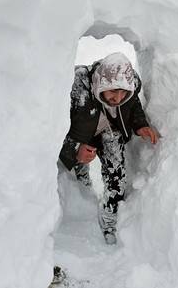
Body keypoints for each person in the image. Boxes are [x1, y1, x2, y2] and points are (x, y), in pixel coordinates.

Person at [58, 52, 159, 244]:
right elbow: (55, 126)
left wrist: (140, 125)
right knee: (79, 167)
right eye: (113, 91)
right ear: (101, 83)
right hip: (81, 135)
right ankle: (82, 190)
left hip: (110, 131)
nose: (118, 98)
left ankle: (111, 216)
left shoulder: (130, 86)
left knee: (116, 173)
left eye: (123, 92)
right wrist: (75, 149)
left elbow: (134, 104)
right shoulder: (77, 88)